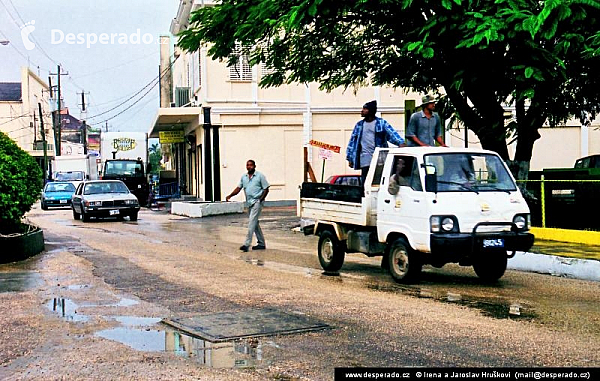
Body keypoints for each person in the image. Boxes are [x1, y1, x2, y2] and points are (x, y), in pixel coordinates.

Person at [346, 100, 405, 185]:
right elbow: (352, 142)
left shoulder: (381, 123)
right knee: (365, 183)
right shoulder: (359, 125)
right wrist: (350, 158)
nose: (362, 111)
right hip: (364, 159)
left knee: (379, 182)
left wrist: (400, 143)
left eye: (365, 109)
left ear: (371, 111)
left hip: (379, 160)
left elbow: (391, 134)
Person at [226, 159, 270, 252]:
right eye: (247, 165)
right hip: (249, 202)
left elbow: (266, 188)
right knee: (255, 223)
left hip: (257, 202)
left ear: (254, 166)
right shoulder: (244, 177)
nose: (249, 167)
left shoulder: (260, 176)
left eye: (251, 165)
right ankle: (261, 243)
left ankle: (247, 244)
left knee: (251, 222)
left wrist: (260, 200)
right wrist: (230, 195)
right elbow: (238, 188)